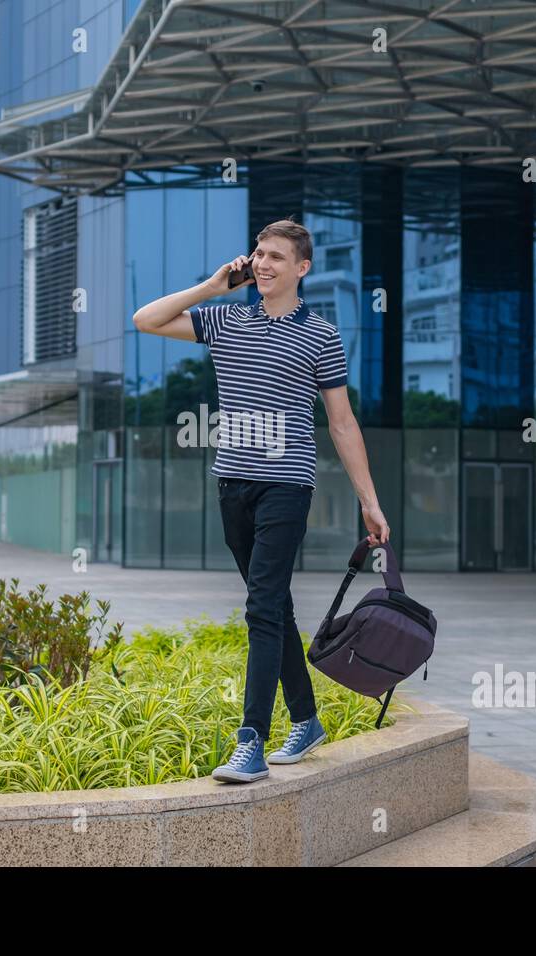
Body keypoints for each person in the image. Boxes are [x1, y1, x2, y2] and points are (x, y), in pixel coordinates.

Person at [131, 218, 390, 783]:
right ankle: (307, 717)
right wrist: (211, 286)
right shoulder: (225, 319)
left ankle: (251, 739)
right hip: (233, 483)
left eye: (276, 257)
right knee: (272, 606)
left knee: (260, 607)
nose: (263, 264)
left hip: (287, 485)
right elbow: (144, 320)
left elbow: (342, 424)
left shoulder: (320, 335)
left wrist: (368, 501)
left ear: (302, 268)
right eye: (258, 254)